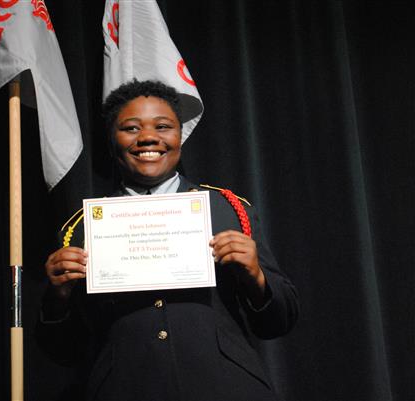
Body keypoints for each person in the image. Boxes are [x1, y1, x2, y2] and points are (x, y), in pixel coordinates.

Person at [37, 80, 299, 401]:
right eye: (131, 128)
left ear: (179, 137)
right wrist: (58, 298)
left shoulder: (229, 209)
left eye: (163, 126)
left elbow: (278, 323)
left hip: (227, 387)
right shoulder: (82, 228)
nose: (148, 137)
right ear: (112, 141)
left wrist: (255, 277)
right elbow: (64, 352)